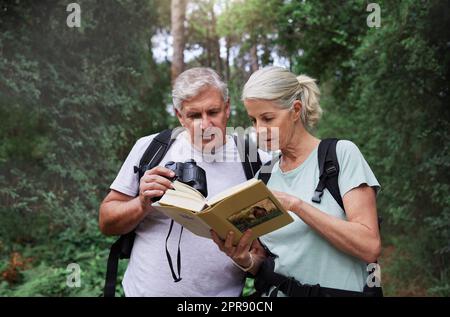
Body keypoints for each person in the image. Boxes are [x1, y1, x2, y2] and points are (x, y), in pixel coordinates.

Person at [211, 66, 382, 296]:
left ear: (295, 110)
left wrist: (297, 206)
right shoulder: (264, 176)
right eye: (253, 120)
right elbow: (263, 259)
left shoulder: (339, 155)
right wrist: (244, 259)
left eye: (268, 118)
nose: (260, 129)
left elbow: (369, 247)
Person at [99, 67, 267, 296]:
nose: (205, 124)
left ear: (227, 109)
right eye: (194, 115)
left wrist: (249, 256)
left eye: (213, 112)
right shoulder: (151, 148)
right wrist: (142, 203)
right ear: (180, 116)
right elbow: (107, 222)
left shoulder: (255, 157)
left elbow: (272, 245)